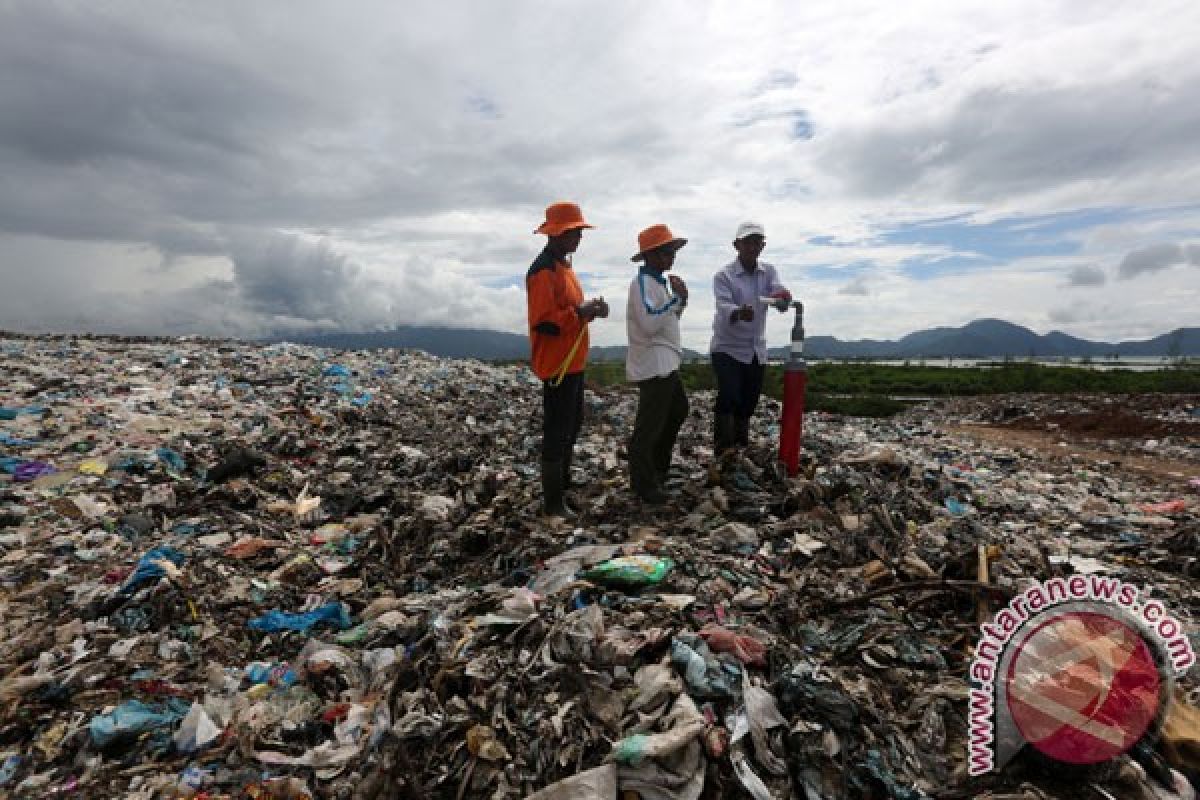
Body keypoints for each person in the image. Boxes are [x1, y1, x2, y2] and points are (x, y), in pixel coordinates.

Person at [526, 201, 609, 517]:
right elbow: (544, 321)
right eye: (572, 232)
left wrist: (590, 311)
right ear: (555, 233)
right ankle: (553, 504)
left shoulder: (564, 267)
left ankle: (563, 488)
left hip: (573, 362)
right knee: (557, 430)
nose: (577, 238)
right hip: (557, 365)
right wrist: (580, 312)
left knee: (572, 426)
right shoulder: (543, 270)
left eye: (579, 232)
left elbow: (568, 314)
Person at [709, 221, 791, 453]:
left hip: (755, 348)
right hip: (728, 347)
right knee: (730, 396)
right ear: (737, 245)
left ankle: (740, 446)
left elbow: (778, 291)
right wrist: (738, 312)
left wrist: (783, 297)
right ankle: (723, 448)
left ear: (762, 246)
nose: (753, 247)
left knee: (749, 400)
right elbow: (724, 306)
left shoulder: (768, 272)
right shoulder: (724, 276)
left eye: (757, 242)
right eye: (748, 242)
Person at [625, 224, 689, 505]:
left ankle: (658, 469)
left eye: (672, 252)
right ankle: (644, 485)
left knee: (677, 410)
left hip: (666, 361)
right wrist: (676, 299)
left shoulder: (658, 284)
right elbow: (651, 323)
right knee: (648, 427)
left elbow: (668, 320)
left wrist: (680, 301)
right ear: (649, 255)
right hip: (653, 364)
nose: (670, 258)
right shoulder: (641, 284)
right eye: (665, 252)